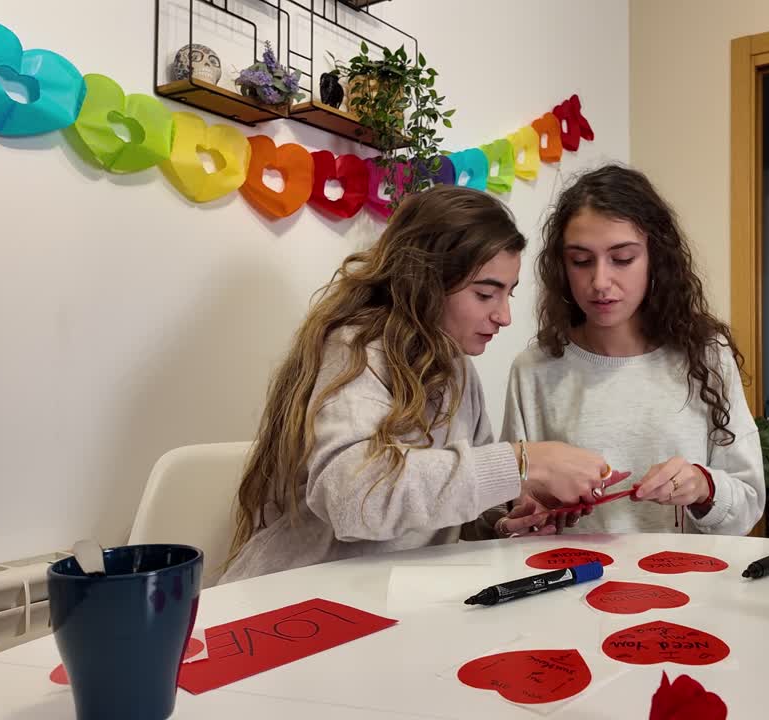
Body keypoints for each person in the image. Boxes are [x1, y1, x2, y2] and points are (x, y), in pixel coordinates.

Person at [222, 186, 608, 583]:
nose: (504, 316)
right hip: (297, 599)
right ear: (425, 282)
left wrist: (504, 521)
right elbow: (352, 499)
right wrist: (521, 461)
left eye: (508, 294)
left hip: (389, 597)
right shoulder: (354, 351)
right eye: (485, 293)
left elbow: (444, 513)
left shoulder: (459, 370)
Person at [502, 165, 764, 535]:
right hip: (574, 585)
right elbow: (514, 506)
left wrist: (703, 488)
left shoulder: (706, 356)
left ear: (656, 258)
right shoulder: (534, 370)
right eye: (580, 261)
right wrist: (526, 517)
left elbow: (748, 504)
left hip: (687, 585)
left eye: (622, 259)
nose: (600, 282)